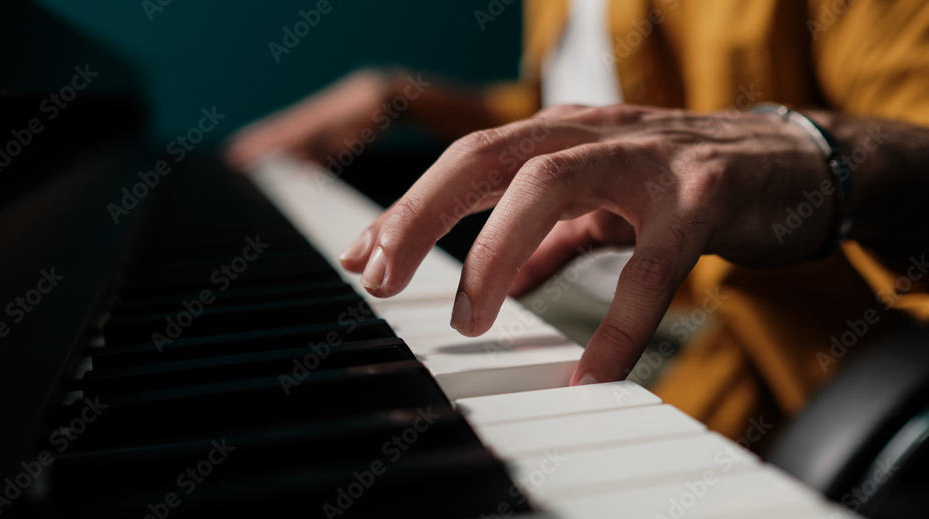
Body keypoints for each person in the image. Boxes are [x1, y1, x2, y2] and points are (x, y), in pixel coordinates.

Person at [227, 0, 929, 447]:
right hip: (570, 285)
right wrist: (408, 97)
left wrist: (811, 157)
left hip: (751, 351)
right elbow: (586, 114)